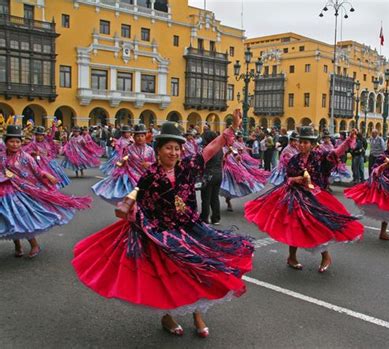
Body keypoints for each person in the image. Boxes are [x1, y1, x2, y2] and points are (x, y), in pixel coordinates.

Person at [72, 111, 253, 338]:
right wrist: (132, 211)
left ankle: (197, 314)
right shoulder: (150, 176)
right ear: (158, 150)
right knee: (172, 281)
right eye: (169, 147)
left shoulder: (187, 167)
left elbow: (210, 150)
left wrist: (232, 129)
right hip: (163, 235)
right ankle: (168, 316)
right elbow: (142, 203)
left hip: (190, 229)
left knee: (198, 273)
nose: (174, 152)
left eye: (177, 148)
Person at [245, 127, 363, 272]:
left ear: (312, 145)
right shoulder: (294, 159)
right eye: (301, 142)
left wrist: (348, 140)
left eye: (306, 143)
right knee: (294, 226)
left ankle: (325, 256)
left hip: (315, 196)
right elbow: (287, 179)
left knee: (318, 226)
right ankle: (292, 257)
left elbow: (336, 153)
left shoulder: (320, 156)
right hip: (295, 196)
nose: (302, 145)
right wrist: (296, 179)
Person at [0, 125, 91, 257]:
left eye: (18, 142)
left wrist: (47, 175)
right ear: (6, 142)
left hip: (22, 191)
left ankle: (34, 245)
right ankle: (17, 246)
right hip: (5, 192)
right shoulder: (1, 156)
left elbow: (36, 171)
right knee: (9, 218)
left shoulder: (26, 157)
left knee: (22, 217)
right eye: (11, 141)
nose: (15, 144)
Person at [92, 124, 155, 204]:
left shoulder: (150, 150)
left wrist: (148, 164)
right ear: (134, 137)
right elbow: (124, 159)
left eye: (142, 136)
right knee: (132, 200)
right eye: (138, 136)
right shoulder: (129, 148)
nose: (140, 138)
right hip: (131, 176)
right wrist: (120, 164)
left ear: (145, 136)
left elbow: (154, 163)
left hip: (145, 177)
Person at [200, 131, 223, 225]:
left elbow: (202, 162)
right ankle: (216, 218)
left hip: (209, 174)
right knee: (215, 197)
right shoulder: (220, 148)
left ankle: (205, 218)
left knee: (206, 198)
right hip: (218, 173)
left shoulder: (208, 149)